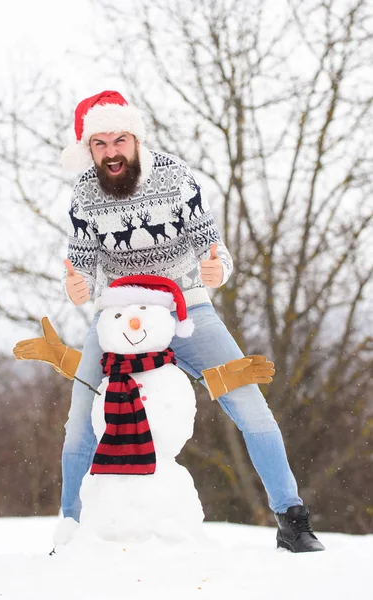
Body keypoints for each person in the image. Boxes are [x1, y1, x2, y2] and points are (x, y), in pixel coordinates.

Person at [59, 90, 324, 553]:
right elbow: (80, 265)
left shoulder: (175, 174)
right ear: (89, 150)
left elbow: (212, 245)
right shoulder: (84, 192)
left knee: (249, 403)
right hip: (118, 314)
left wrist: (220, 267)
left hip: (186, 309)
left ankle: (290, 515)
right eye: (99, 144)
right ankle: (69, 526)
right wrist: (77, 286)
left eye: (118, 139)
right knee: (80, 417)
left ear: (135, 138)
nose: (111, 152)